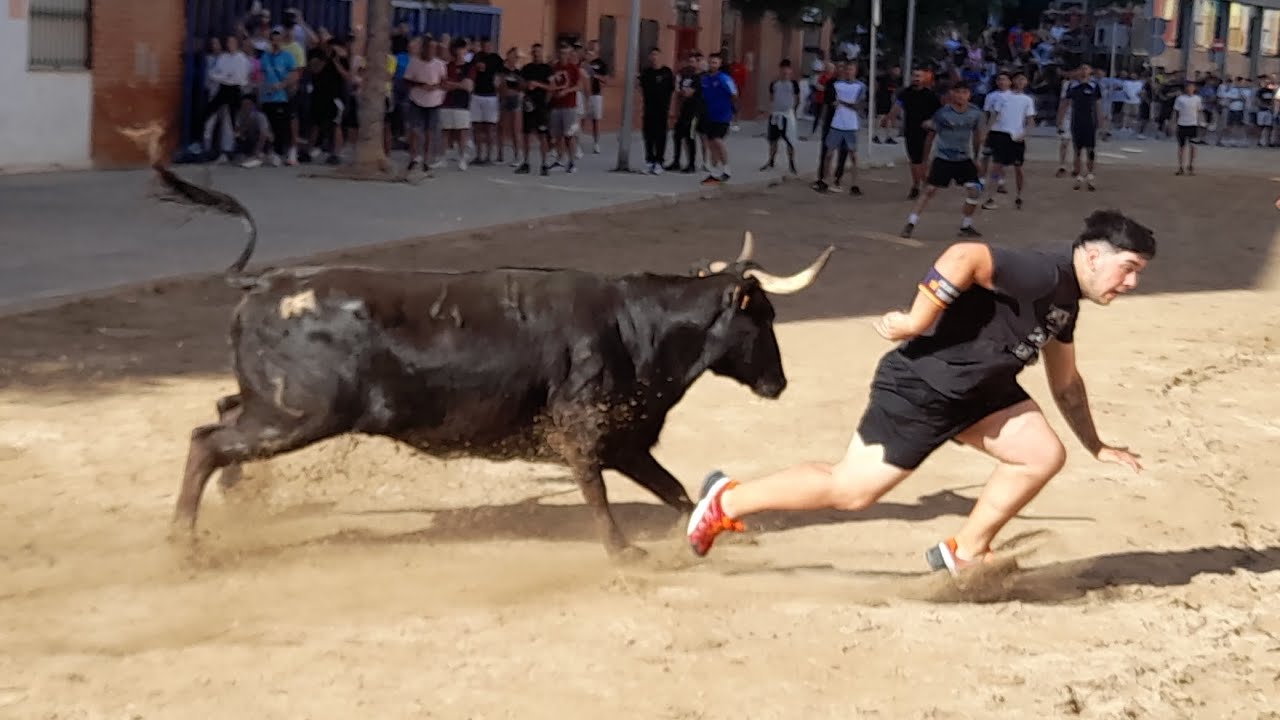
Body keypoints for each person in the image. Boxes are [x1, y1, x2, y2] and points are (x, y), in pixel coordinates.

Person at [685, 210, 1156, 575]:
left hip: (982, 392)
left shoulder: (1066, 300)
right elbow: (964, 256)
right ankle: (726, 501)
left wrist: (1096, 444)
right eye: (1128, 268)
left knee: (1041, 454)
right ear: (1094, 256)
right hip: (923, 388)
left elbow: (1066, 382)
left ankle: (965, 552)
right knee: (851, 490)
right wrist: (916, 320)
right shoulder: (1042, 272)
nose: (1132, 282)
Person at [901, 81, 986, 240]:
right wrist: (926, 162)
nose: (961, 95)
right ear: (952, 94)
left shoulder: (975, 113)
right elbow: (930, 137)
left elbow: (977, 136)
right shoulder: (942, 114)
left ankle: (966, 225)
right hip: (944, 158)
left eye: (964, 92)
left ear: (969, 94)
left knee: (975, 190)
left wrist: (976, 157)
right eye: (957, 92)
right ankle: (911, 223)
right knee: (929, 191)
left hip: (963, 158)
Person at [881, 67, 942, 200]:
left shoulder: (930, 95)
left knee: (923, 159)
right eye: (914, 76)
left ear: (924, 78)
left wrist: (931, 122)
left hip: (927, 132)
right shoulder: (905, 93)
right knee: (914, 159)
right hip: (910, 130)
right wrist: (889, 118)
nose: (916, 79)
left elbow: (940, 113)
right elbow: (897, 106)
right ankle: (916, 184)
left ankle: (924, 182)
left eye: (919, 76)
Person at [981, 71, 1036, 210]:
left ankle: (1019, 195)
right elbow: (994, 115)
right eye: (1018, 79)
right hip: (1001, 134)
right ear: (1012, 81)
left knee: (1018, 168)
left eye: (1023, 79)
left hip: (1016, 136)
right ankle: (991, 197)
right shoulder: (1002, 97)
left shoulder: (1027, 100)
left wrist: (1024, 134)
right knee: (997, 167)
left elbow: (1030, 121)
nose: (1021, 82)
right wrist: (986, 132)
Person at [1057, 63, 1104, 192]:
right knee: (1077, 150)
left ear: (1090, 71)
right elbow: (1066, 103)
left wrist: (1101, 122)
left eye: (1086, 68)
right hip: (1076, 121)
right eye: (1081, 68)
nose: (1084, 71)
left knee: (1091, 150)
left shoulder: (1094, 86)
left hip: (1090, 121)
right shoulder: (1073, 86)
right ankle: (1078, 175)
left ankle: (1090, 175)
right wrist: (1060, 121)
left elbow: (1098, 104)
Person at [762, 58, 801, 174]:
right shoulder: (774, 83)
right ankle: (771, 160)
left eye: (787, 69)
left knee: (790, 140)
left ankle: (792, 163)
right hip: (776, 114)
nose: (785, 71)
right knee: (773, 140)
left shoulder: (793, 84)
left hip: (787, 115)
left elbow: (798, 99)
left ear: (790, 70)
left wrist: (793, 110)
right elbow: (771, 98)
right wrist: (771, 110)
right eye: (783, 69)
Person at [1172, 81, 1203, 176]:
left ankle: (1191, 165)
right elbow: (1176, 112)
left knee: (1193, 146)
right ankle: (1181, 166)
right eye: (1188, 87)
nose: (1190, 89)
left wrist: (1201, 123)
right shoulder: (1180, 99)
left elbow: (1199, 112)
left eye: (1192, 87)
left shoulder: (1197, 99)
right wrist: (1173, 123)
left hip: (1193, 125)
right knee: (1181, 147)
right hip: (1182, 124)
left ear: (1194, 88)